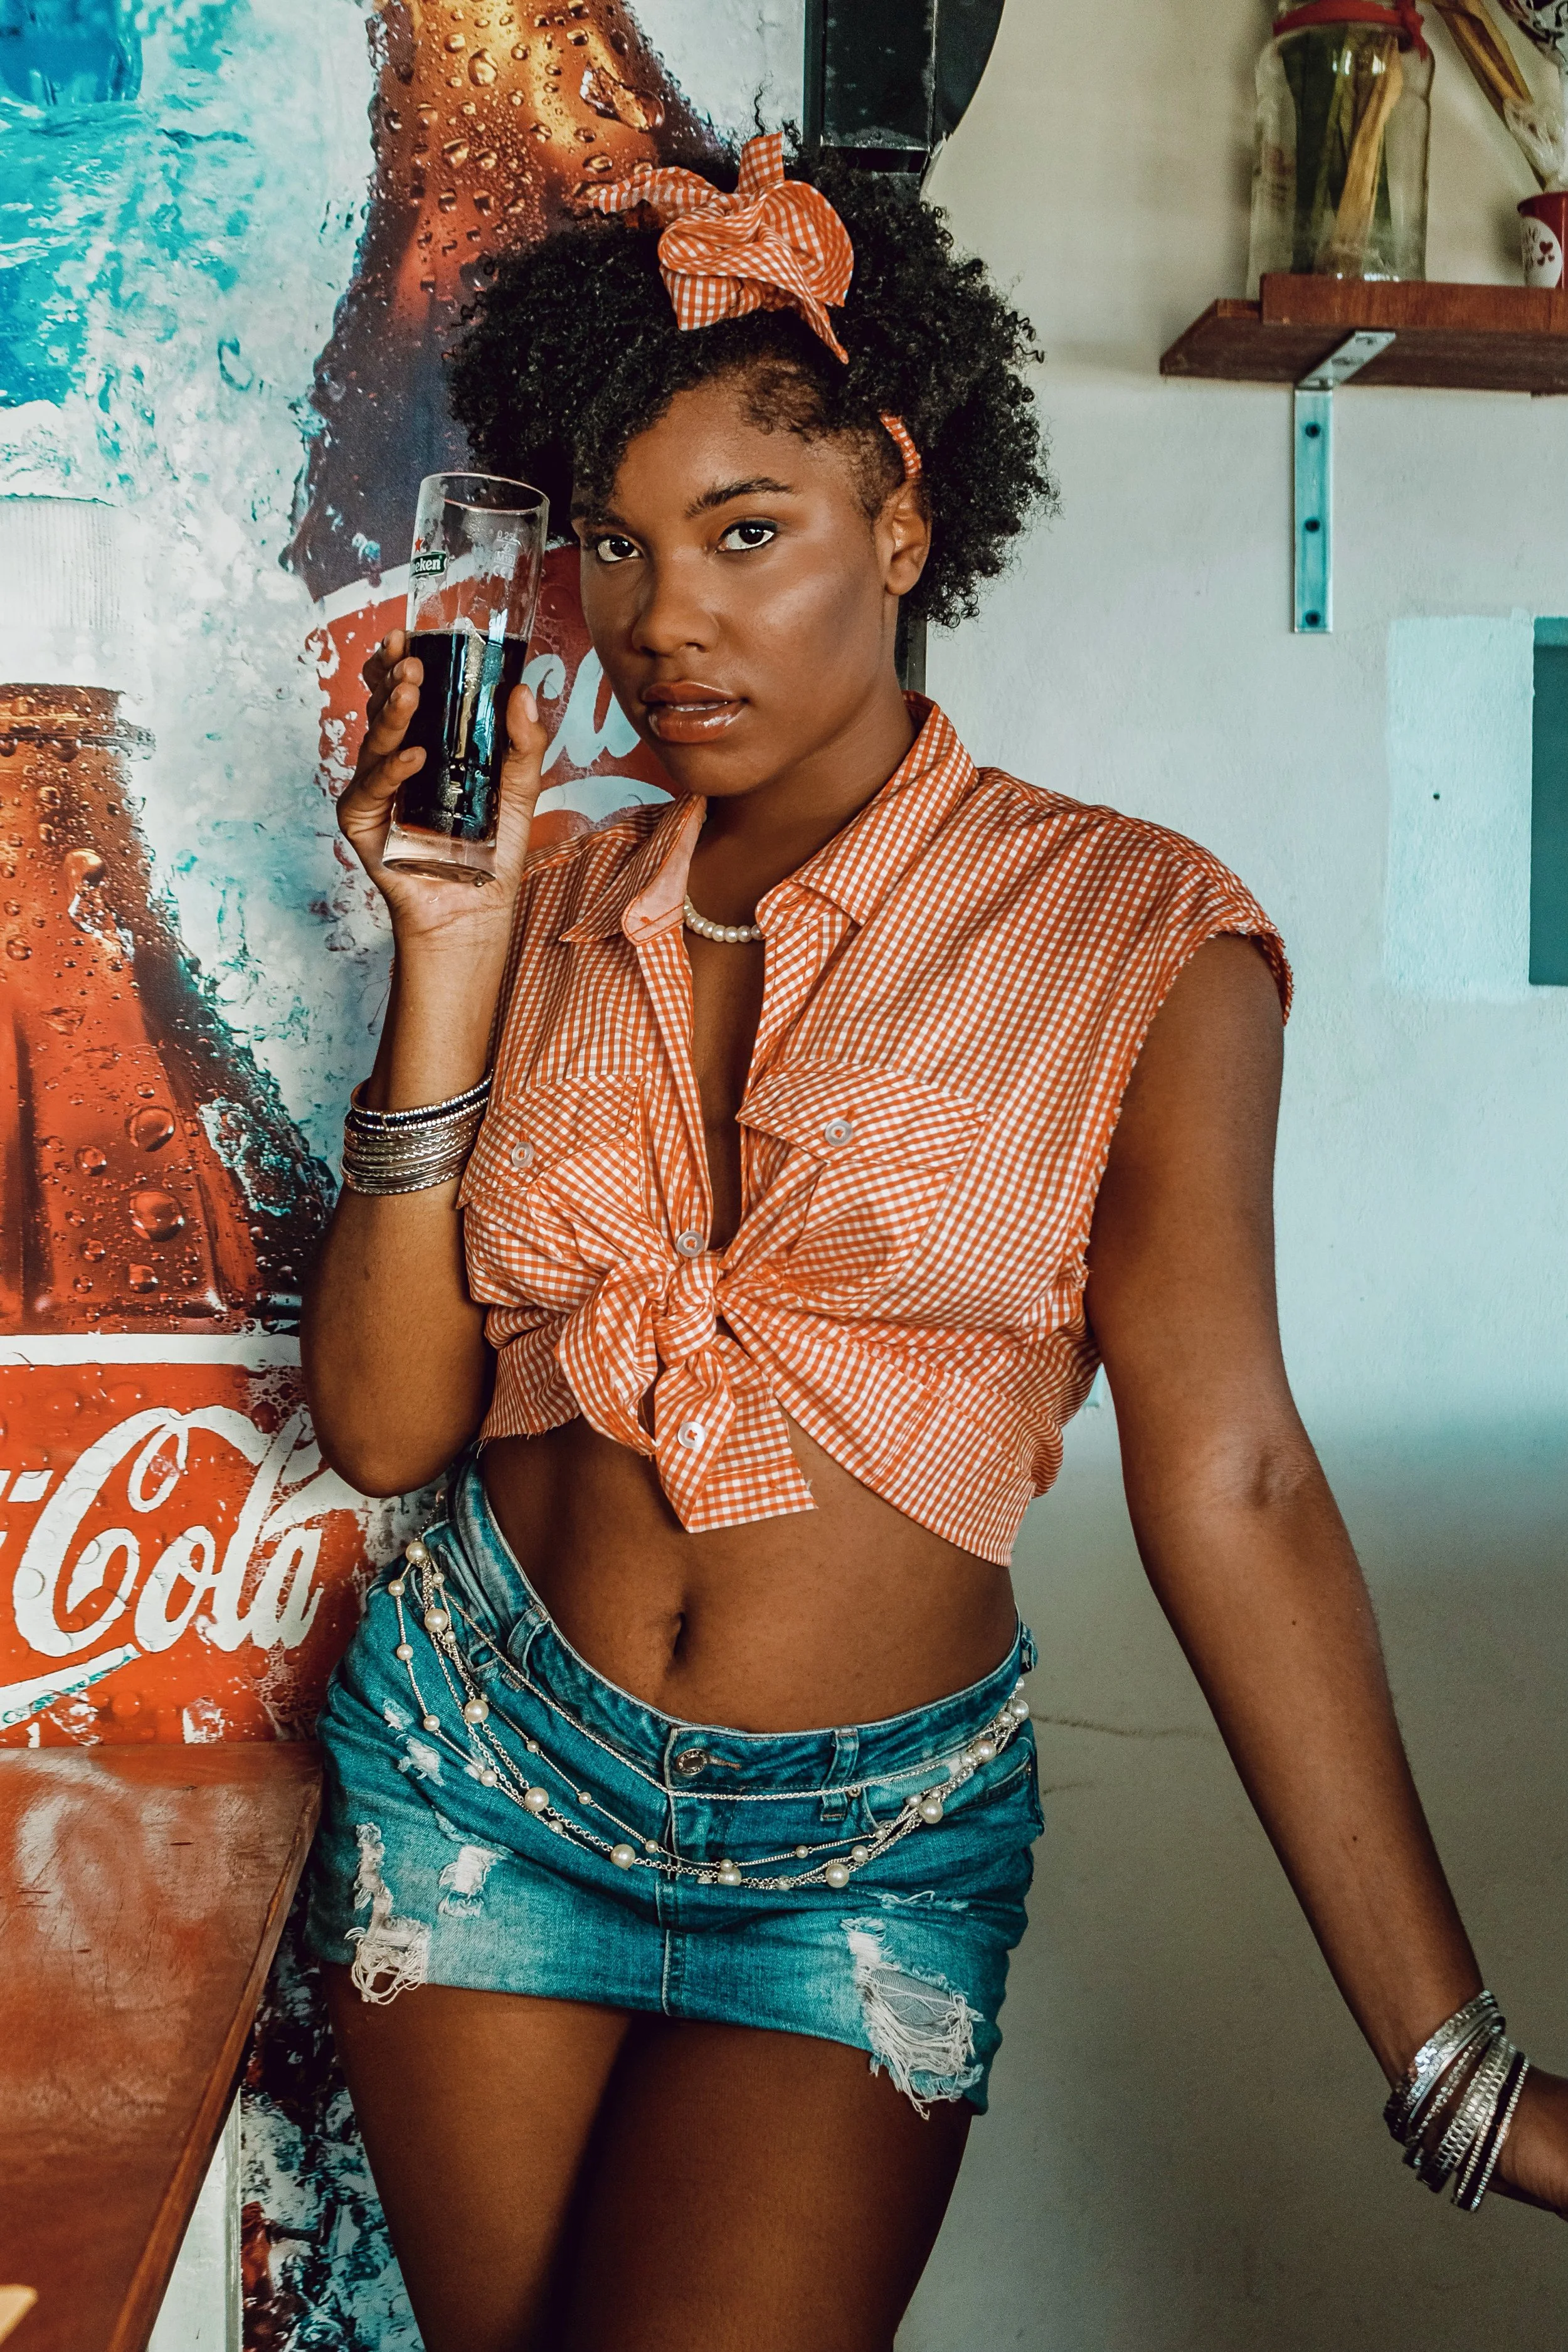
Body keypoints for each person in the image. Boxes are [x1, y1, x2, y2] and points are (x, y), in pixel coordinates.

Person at [301, 134, 1567, 2352]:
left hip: (865, 1857)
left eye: (745, 530)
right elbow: (391, 1428)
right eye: (615, 541)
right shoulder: (555, 897)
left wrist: (1450, 2063)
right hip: (474, 1774)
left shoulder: (1141, 935)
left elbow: (1240, 1473)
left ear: (901, 508)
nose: (662, 617)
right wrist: (446, 949)